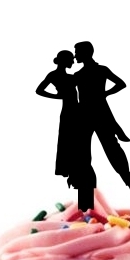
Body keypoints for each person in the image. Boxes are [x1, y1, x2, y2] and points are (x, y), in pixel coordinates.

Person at [73, 41, 130, 193]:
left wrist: (105, 93)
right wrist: (104, 94)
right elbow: (120, 84)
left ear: (86, 53)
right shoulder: (84, 74)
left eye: (77, 52)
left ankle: (129, 181)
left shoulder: (89, 73)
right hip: (90, 115)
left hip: (96, 115)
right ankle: (90, 187)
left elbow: (121, 83)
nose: (75, 55)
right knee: (95, 151)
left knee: (110, 149)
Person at [35, 50, 80, 179]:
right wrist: (57, 96)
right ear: (65, 60)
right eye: (71, 59)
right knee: (68, 140)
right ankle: (68, 168)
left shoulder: (70, 77)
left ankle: (70, 168)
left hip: (74, 109)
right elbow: (39, 90)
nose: (73, 62)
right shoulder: (55, 75)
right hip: (70, 110)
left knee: (70, 140)